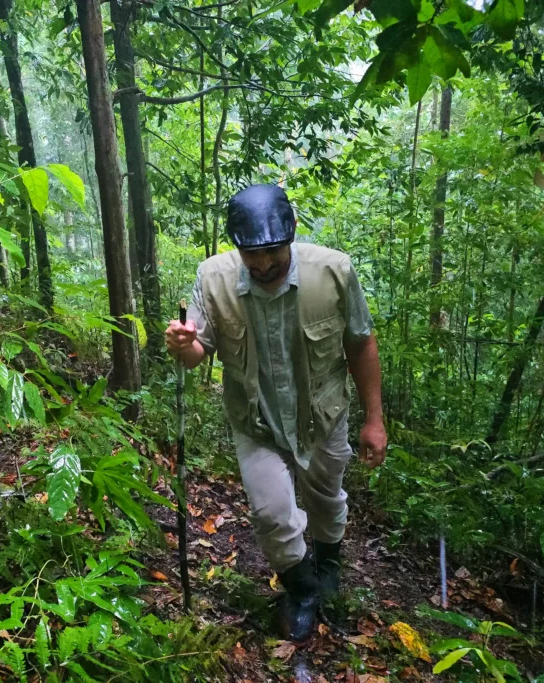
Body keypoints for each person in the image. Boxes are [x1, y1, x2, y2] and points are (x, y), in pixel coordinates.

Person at [165, 184, 387, 642]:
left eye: (272, 252)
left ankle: (328, 565)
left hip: (322, 418)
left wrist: (374, 419)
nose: (263, 264)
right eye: (252, 254)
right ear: (237, 247)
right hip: (256, 423)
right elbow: (196, 352)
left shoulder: (333, 272)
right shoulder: (213, 279)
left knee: (326, 501)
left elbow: (360, 342)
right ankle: (302, 590)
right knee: (272, 514)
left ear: (290, 238)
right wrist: (184, 346)